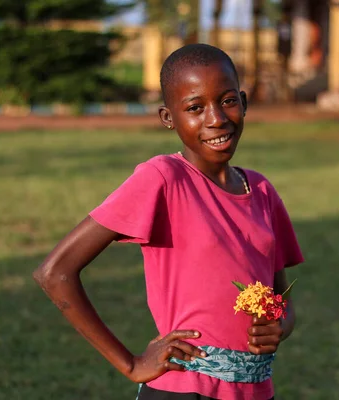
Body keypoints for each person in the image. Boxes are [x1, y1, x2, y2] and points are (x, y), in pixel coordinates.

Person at [33, 44, 304, 400]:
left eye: (227, 101)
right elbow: (55, 273)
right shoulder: (162, 178)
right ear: (168, 117)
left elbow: (279, 297)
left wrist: (279, 326)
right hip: (185, 390)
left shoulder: (262, 190)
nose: (216, 119)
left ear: (244, 101)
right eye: (195, 108)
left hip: (255, 390)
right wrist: (130, 364)